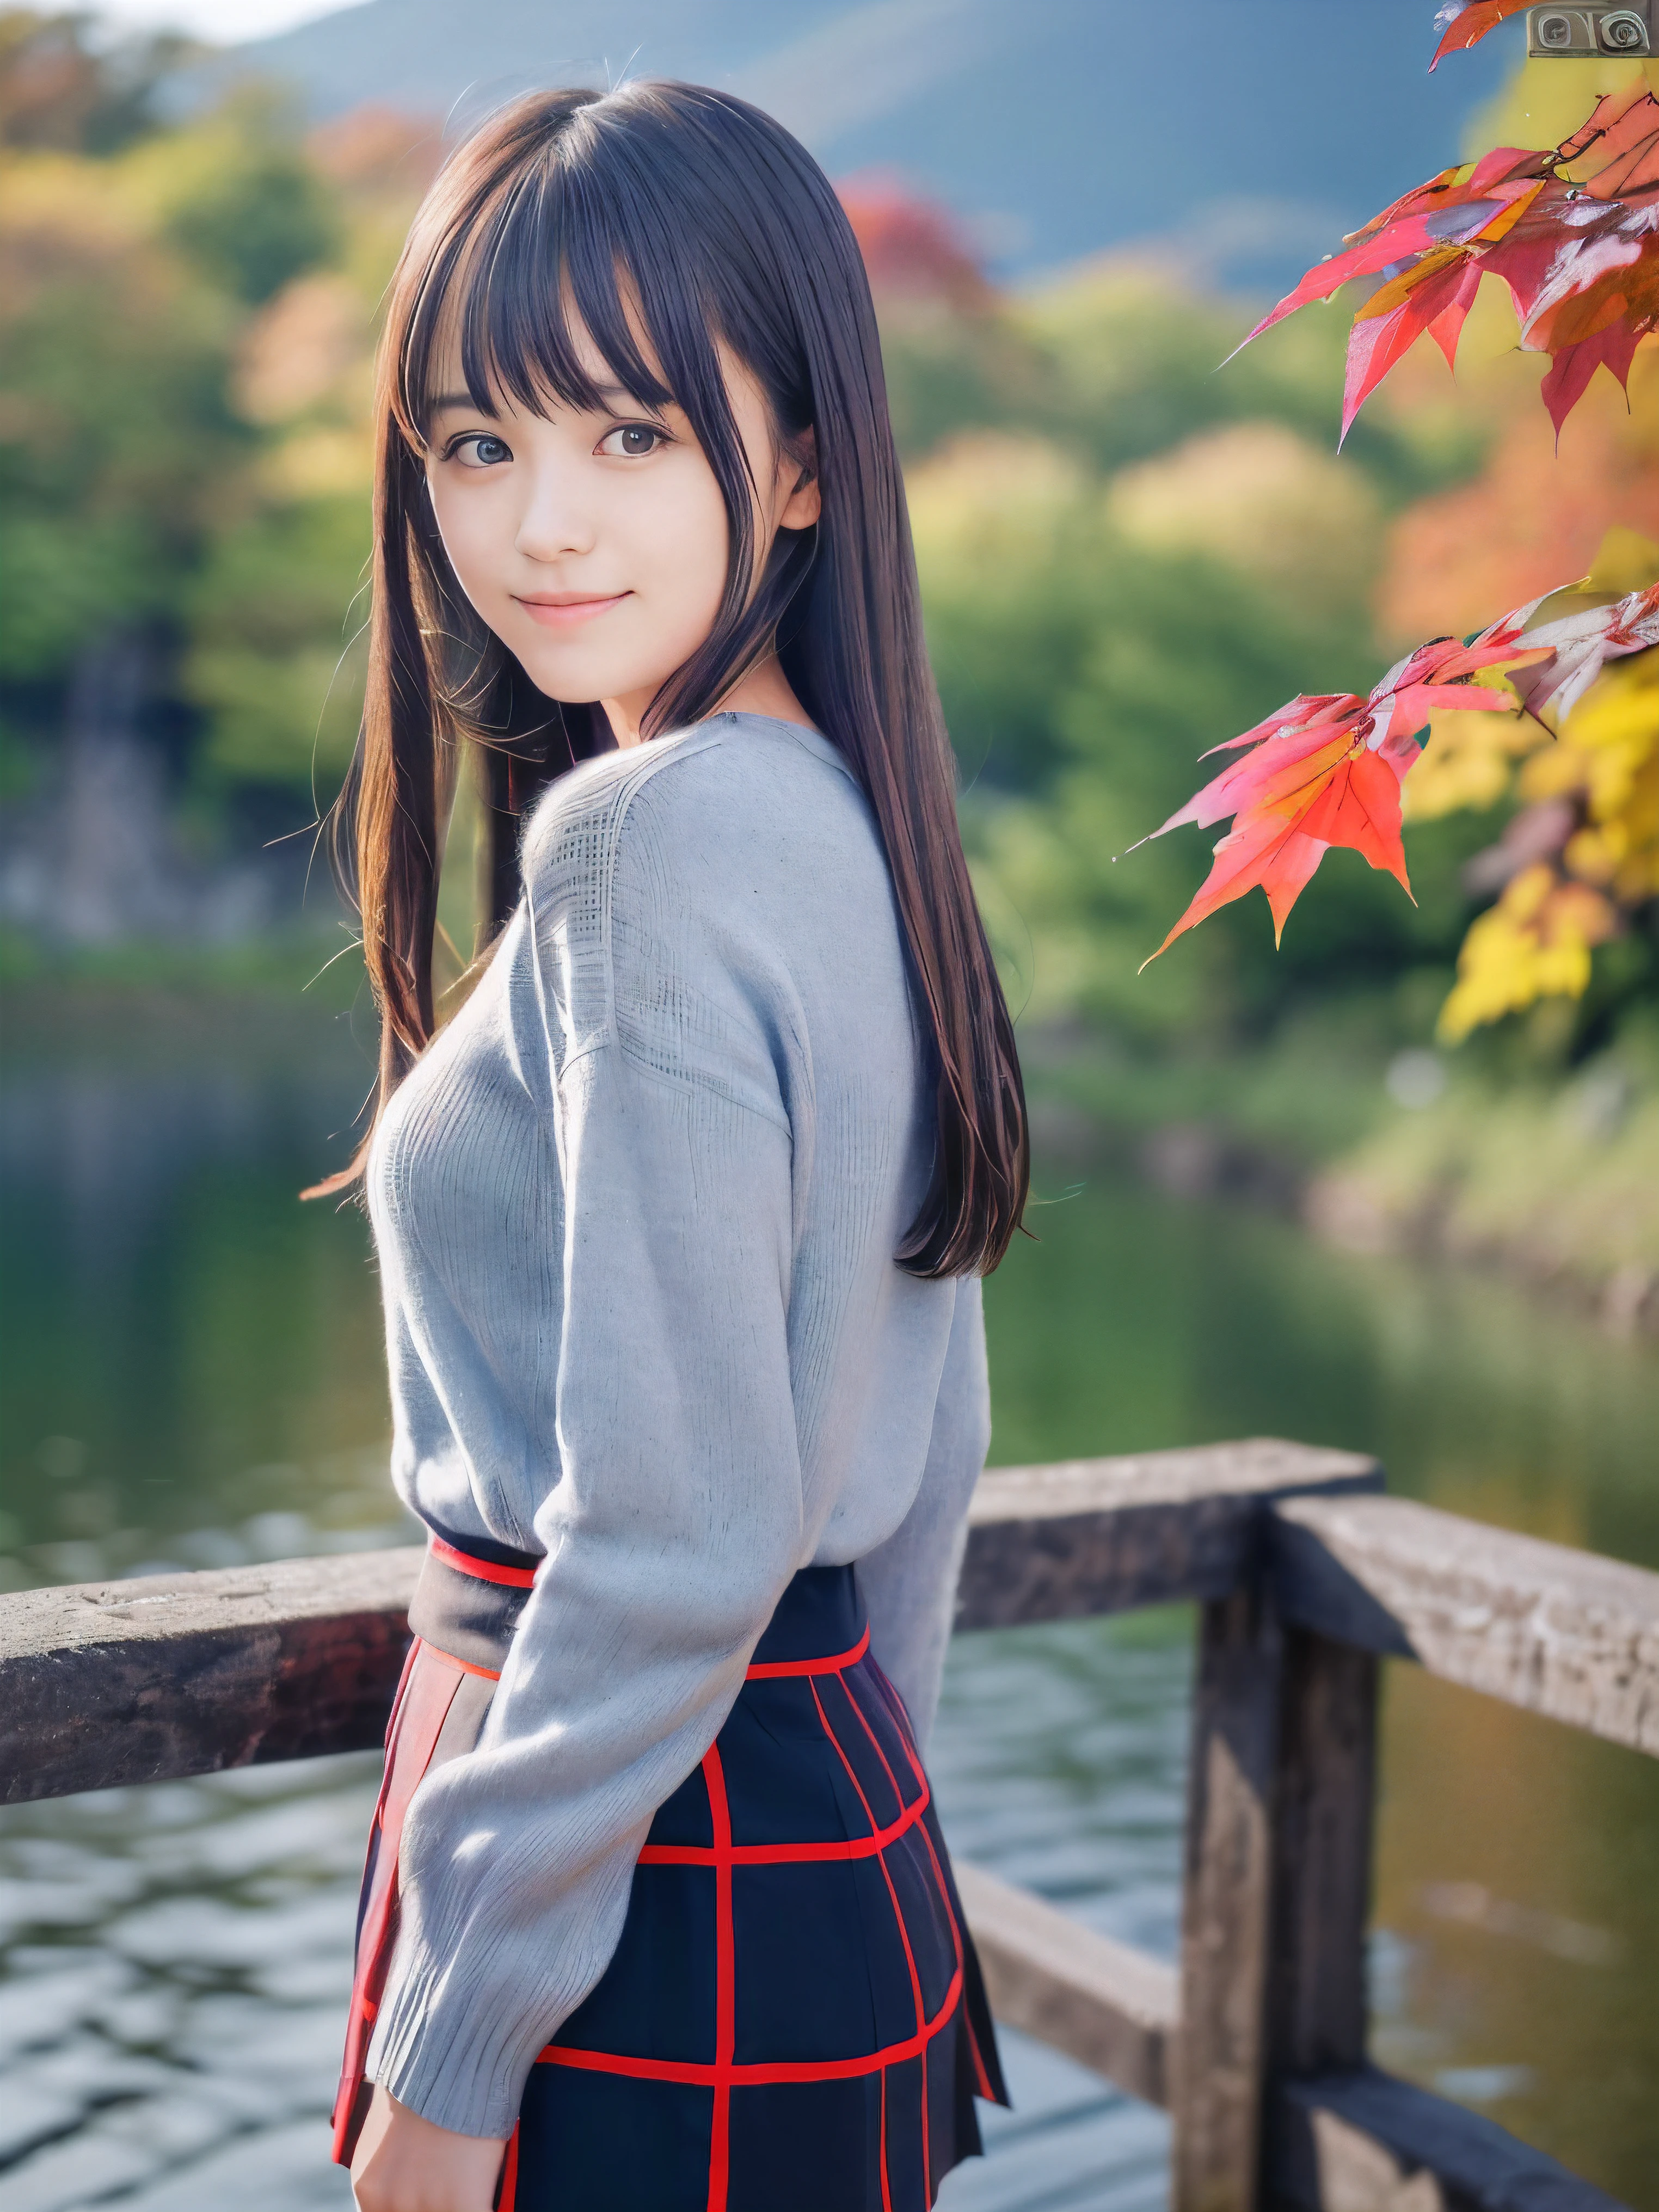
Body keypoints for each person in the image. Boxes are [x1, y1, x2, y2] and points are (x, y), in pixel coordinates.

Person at [322, 77, 1028, 2212]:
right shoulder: (843, 819)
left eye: (633, 432)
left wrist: (454, 2039)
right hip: (795, 1820)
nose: (541, 520)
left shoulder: (653, 840)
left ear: (803, 453)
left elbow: (677, 1522)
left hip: (626, 1876)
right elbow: (938, 1420)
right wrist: (860, 1771)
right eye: (477, 439)